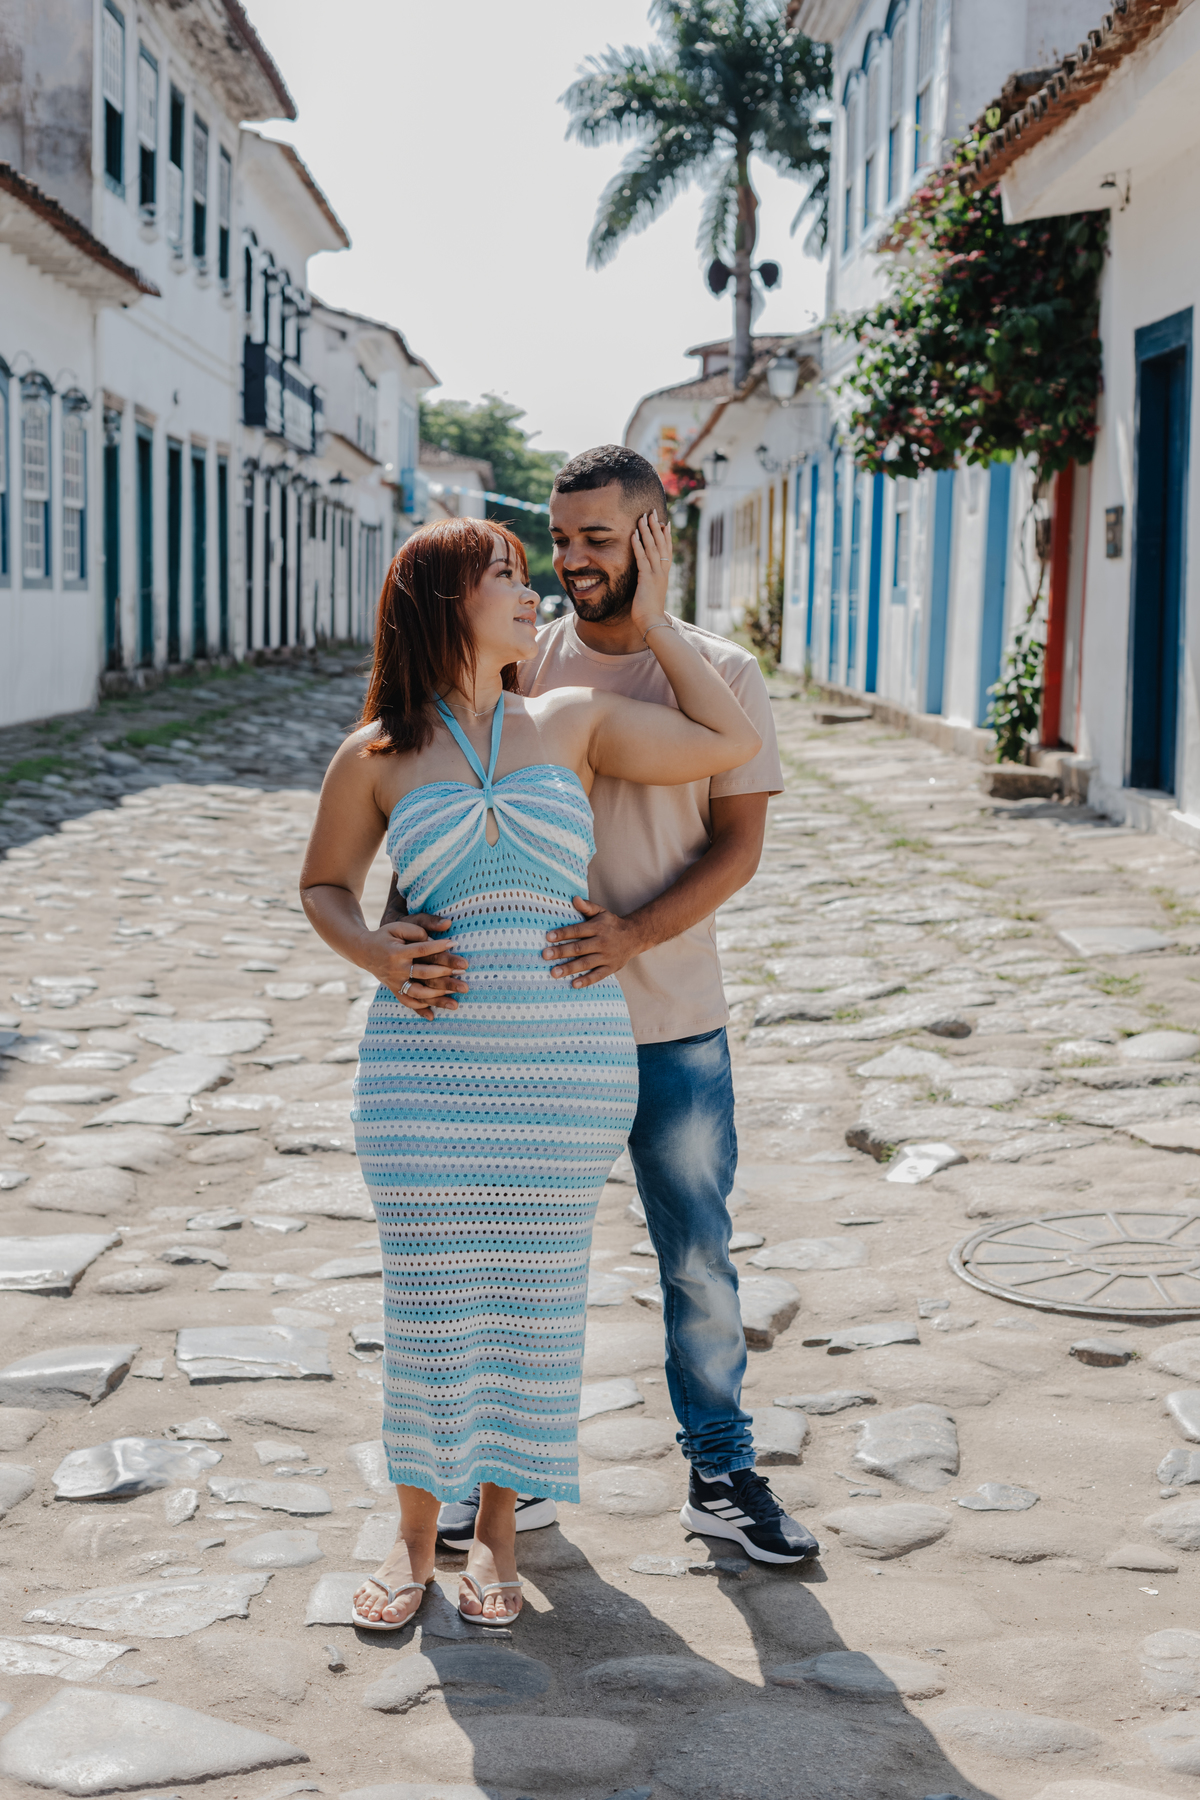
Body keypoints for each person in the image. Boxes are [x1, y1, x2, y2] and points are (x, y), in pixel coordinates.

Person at [298, 511, 761, 1629]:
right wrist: (373, 951)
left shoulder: (573, 721)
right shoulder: (376, 751)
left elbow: (728, 740)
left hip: (563, 1066)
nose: (533, 589)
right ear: (444, 604)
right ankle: (413, 1542)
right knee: (426, 1303)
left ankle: (498, 1540)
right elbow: (323, 887)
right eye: (504, 574)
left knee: (536, 1304)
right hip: (423, 1066)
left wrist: (653, 620)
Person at [391, 446, 821, 1569]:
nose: (572, 560)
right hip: (528, 1033)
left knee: (696, 1256)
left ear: (650, 537)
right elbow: (432, 788)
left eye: (597, 538)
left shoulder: (722, 673)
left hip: (672, 1018)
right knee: (516, 1259)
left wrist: (632, 935)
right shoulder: (518, 661)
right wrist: (399, 921)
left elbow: (740, 850)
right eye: (560, 537)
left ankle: (720, 1473)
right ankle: (510, 1485)